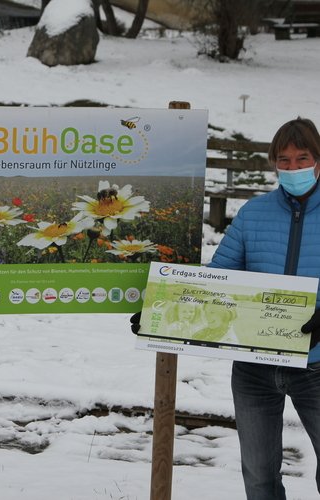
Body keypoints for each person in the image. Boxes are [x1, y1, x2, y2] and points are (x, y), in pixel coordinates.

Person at [131, 117, 320, 499]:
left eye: (303, 159)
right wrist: (160, 313)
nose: (293, 168)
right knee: (259, 478)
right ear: (273, 164)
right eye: (284, 161)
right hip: (254, 369)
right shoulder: (254, 214)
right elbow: (217, 281)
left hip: (316, 367)